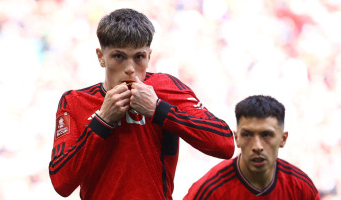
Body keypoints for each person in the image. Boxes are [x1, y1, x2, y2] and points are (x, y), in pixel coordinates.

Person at [48, 8, 235, 200]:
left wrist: (159, 109)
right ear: (101, 56)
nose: (130, 69)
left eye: (138, 57)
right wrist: (102, 121)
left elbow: (225, 144)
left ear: (149, 56)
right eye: (119, 56)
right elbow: (61, 183)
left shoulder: (166, 88)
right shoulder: (74, 101)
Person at [184, 95, 320, 200]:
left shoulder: (301, 189)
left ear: (283, 139)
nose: (257, 146)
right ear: (237, 138)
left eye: (266, 135)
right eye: (247, 135)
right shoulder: (209, 191)